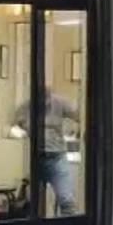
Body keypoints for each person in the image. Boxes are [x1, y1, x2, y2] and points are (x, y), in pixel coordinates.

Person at [13, 88, 79, 217]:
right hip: (37, 158)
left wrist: (78, 130)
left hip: (57, 157)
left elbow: (79, 114)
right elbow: (16, 122)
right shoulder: (25, 107)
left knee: (66, 200)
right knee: (31, 201)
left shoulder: (60, 103)